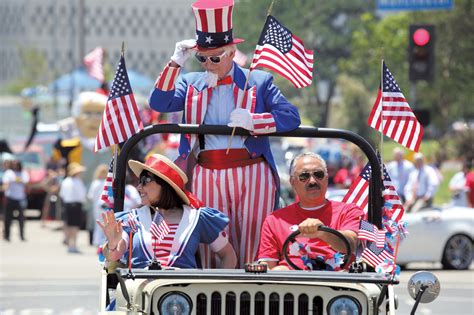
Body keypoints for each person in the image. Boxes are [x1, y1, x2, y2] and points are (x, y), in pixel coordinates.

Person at [148, 0, 301, 268]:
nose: (208, 64)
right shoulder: (190, 82)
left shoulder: (258, 81)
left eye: (215, 57)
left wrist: (255, 121)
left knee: (254, 242)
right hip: (207, 171)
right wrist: (175, 63)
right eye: (202, 58)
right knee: (211, 239)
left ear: (231, 53)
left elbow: (291, 117)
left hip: (251, 169)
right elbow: (159, 104)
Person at [97, 154, 237, 269]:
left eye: (145, 180)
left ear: (165, 185)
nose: (139, 187)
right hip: (141, 295)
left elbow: (228, 255)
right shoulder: (132, 218)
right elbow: (114, 255)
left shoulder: (197, 218)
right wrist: (113, 244)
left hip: (185, 296)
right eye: (139, 181)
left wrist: (214, 293)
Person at [256, 152, 365, 270]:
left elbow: (351, 243)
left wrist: (323, 233)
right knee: (278, 270)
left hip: (338, 282)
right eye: (304, 176)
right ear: (293, 182)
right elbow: (267, 267)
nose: (312, 181)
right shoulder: (274, 220)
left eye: (319, 174)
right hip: (289, 283)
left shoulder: (349, 211)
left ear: (327, 178)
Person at [59, 162, 87, 253]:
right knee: (75, 226)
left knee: (68, 224)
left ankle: (69, 242)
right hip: (76, 205)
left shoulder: (65, 181)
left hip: (67, 204)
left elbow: (62, 194)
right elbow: (82, 195)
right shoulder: (78, 182)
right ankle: (73, 245)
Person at [2, 159, 29, 241]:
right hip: (10, 198)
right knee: (8, 218)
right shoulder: (9, 173)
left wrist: (18, 180)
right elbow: (5, 184)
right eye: (13, 164)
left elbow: (27, 182)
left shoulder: (23, 173)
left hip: (20, 198)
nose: (15, 166)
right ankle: (7, 236)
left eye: (16, 164)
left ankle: (22, 236)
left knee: (21, 219)